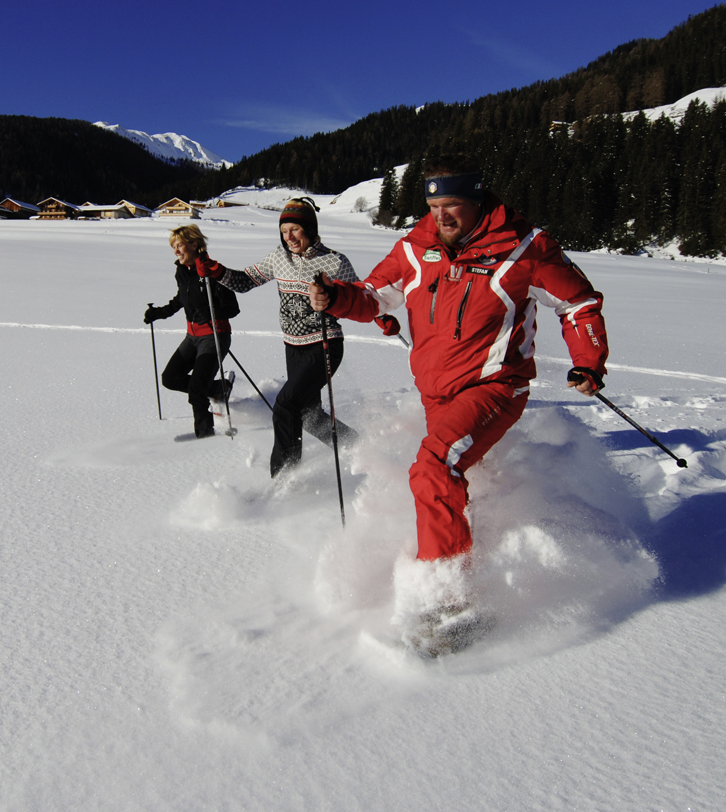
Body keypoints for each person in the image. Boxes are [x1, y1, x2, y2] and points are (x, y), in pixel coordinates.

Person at [308, 157, 609, 654]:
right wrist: (336, 297)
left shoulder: (524, 248)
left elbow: (577, 303)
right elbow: (373, 297)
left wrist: (588, 360)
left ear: (476, 201)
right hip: (435, 392)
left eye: (452, 206)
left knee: (432, 467)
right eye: (432, 206)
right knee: (455, 480)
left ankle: (453, 602)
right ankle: (478, 545)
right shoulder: (414, 247)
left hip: (495, 386)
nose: (441, 217)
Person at [195, 198, 360, 477]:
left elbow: (359, 299)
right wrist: (218, 271)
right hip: (293, 347)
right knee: (308, 416)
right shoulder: (278, 258)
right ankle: (357, 446)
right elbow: (246, 281)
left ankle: (284, 478)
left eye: (295, 229)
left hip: (325, 344)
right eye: (284, 231)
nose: (289, 237)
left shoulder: (334, 261)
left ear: (309, 228)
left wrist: (382, 317)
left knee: (285, 405)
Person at [144, 224, 239, 439]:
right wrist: (160, 313)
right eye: (173, 247)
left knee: (196, 388)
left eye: (179, 245)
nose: (176, 251)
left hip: (215, 335)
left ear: (194, 245)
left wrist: (212, 314)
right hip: (192, 336)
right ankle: (217, 388)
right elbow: (182, 299)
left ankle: (205, 438)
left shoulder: (212, 271)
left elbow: (233, 309)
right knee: (170, 378)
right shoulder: (182, 271)